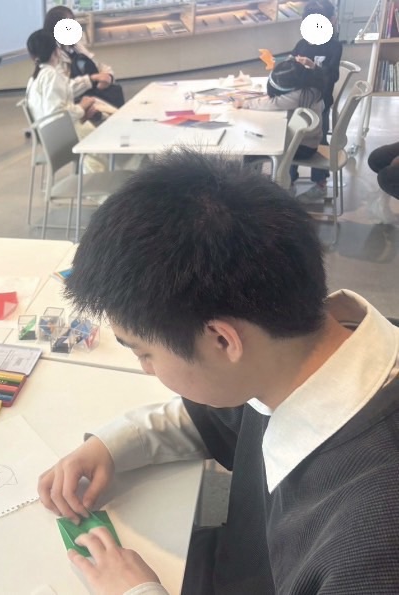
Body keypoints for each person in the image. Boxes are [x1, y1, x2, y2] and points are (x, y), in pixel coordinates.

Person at [38, 149, 399, 594]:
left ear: (223, 340)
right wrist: (111, 446)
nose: (145, 370)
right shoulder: (304, 355)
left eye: (144, 353)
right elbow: (216, 419)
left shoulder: (371, 542)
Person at [234, 58, 325, 191]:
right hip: (307, 142)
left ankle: (252, 189)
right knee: (257, 145)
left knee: (252, 152)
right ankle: (275, 182)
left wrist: (244, 103)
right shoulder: (311, 86)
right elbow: (278, 100)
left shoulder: (298, 96)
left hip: (303, 147)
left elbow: (273, 103)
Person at [25, 29, 105, 173]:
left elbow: (52, 113)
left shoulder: (34, 79)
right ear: (56, 51)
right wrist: (82, 108)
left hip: (50, 136)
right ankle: (101, 183)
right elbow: (58, 113)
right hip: (61, 137)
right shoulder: (51, 76)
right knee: (105, 142)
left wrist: (81, 115)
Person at [290, 0, 343, 201]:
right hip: (298, 101)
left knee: (319, 139)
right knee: (291, 137)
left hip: (320, 103)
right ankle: (289, 179)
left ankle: (320, 183)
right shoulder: (302, 45)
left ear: (332, 21)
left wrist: (313, 67)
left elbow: (332, 76)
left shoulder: (334, 47)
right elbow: (291, 66)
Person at [43, 6, 122, 118]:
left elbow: (98, 66)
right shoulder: (53, 56)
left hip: (92, 93)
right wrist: (92, 79)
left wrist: (108, 76)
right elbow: (64, 89)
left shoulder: (76, 46)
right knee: (116, 115)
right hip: (76, 102)